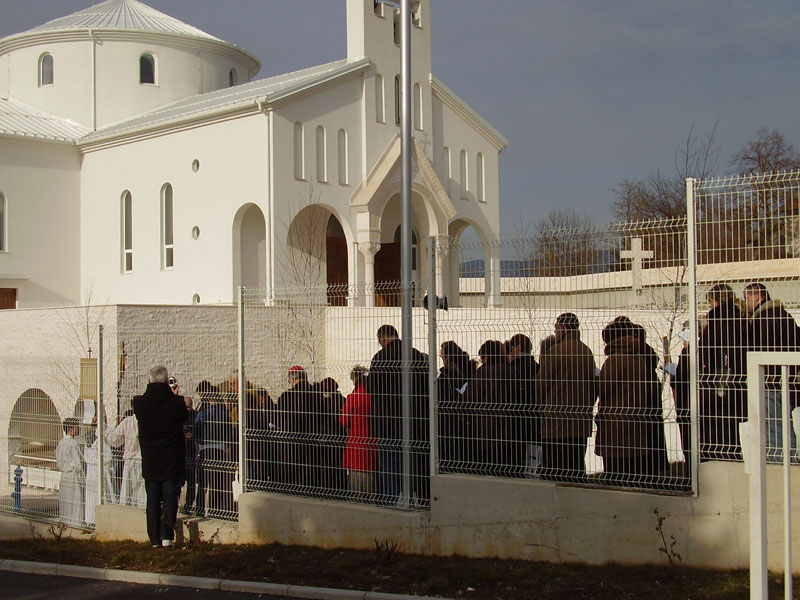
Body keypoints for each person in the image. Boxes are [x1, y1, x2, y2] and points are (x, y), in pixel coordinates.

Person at [366, 324, 429, 507]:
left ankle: (391, 501)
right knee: (413, 464)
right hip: (413, 420)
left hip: (387, 422)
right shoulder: (414, 354)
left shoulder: (379, 358)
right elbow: (424, 386)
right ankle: (417, 499)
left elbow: (371, 388)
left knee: (389, 465)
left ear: (383, 339)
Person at [596, 318, 662, 486]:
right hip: (636, 425)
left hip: (615, 428)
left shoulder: (614, 360)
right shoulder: (639, 359)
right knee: (635, 475)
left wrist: (596, 379)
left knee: (616, 476)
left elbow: (603, 389)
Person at [535, 313, 598, 482]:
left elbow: (540, 386)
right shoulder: (586, 351)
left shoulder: (555, 352)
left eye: (556, 329)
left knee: (554, 470)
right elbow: (593, 386)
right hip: (580, 421)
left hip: (556, 422)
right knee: (575, 467)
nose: (555, 333)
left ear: (562, 329)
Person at [133, 365, 190, 547]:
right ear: (167, 381)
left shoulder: (140, 403)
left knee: (152, 500)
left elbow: (145, 403)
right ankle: (166, 536)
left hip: (150, 460)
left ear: (149, 381)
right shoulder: (176, 402)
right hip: (171, 459)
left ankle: (154, 539)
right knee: (170, 499)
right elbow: (184, 417)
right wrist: (172, 394)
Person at [744, 282, 800, 463]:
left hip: (769, 381)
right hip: (787, 380)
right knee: (783, 425)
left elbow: (756, 351)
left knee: (774, 428)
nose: (745, 303)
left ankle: (779, 466)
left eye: (747, 298)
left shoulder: (763, 320)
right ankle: (787, 464)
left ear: (757, 296)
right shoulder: (785, 316)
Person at [697, 283, 748, 460]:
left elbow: (705, 351)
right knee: (731, 430)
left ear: (716, 301)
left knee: (715, 428)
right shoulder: (741, 318)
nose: (710, 306)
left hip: (717, 380)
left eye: (710, 302)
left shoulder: (717, 321)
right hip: (736, 380)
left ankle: (715, 460)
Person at [194, 380, 235, 518]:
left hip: (205, 449)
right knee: (218, 483)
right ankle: (217, 511)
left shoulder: (202, 414)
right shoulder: (224, 413)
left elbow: (197, 431)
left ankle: (200, 510)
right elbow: (229, 431)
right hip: (221, 449)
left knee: (203, 484)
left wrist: (198, 445)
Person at [276, 366, 317, 489]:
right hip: (313, 445)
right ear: (306, 377)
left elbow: (279, 421)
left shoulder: (285, 397)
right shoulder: (317, 394)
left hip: (291, 446)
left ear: (292, 380)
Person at [340, 366, 377, 500]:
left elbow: (344, 421)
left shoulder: (354, 396)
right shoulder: (374, 394)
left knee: (357, 487)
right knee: (372, 482)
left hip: (356, 445)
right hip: (373, 442)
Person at [437, 341, 475, 471]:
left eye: (442, 356)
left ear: (448, 357)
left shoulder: (446, 374)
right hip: (469, 423)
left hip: (450, 424)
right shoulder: (471, 369)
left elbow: (441, 398)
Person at [506, 333, 541, 478]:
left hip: (517, 423)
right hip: (536, 420)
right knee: (534, 461)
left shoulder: (513, 369)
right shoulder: (538, 367)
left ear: (518, 348)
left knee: (519, 463)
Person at [104, 409, 146, 508]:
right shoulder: (149, 420)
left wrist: (103, 428)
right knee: (141, 492)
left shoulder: (127, 422)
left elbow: (114, 440)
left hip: (131, 461)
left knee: (129, 490)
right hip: (142, 460)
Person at [315, 377, 347, 493]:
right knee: (339, 468)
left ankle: (327, 491)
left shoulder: (320, 402)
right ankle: (341, 491)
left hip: (325, 440)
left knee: (326, 468)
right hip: (339, 439)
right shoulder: (342, 400)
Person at [56, 417, 84, 528]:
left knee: (66, 500)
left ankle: (65, 521)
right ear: (70, 429)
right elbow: (78, 462)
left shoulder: (61, 442)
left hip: (64, 475)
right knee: (75, 500)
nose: (79, 429)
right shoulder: (73, 443)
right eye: (77, 427)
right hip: (73, 475)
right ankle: (75, 523)